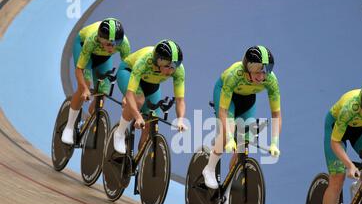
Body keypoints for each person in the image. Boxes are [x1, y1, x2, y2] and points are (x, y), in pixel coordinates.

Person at [202, 45, 282, 192]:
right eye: (258, 72)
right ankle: (209, 168)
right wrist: (229, 136)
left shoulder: (271, 80)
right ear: (248, 69)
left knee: (246, 141)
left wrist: (275, 143)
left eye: (265, 72)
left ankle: (228, 187)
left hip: (247, 100)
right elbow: (223, 111)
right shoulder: (235, 75)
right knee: (228, 133)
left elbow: (276, 115)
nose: (262, 77)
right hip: (226, 96)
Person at [61, 18, 131, 145]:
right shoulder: (91, 40)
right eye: (109, 44)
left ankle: (88, 122)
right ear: (100, 39)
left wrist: (127, 95)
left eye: (116, 44)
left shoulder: (124, 44)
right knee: (84, 87)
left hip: (103, 59)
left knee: (102, 94)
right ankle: (69, 127)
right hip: (83, 48)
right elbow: (79, 70)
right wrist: (85, 89)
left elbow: (127, 71)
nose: (112, 47)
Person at [113, 39, 187, 154]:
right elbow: (130, 94)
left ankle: (139, 162)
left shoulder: (179, 70)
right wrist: (137, 116)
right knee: (138, 100)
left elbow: (180, 100)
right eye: (167, 66)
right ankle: (120, 132)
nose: (170, 70)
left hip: (152, 84)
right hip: (128, 72)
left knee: (151, 122)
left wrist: (181, 120)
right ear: (158, 61)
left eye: (174, 67)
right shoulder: (144, 61)